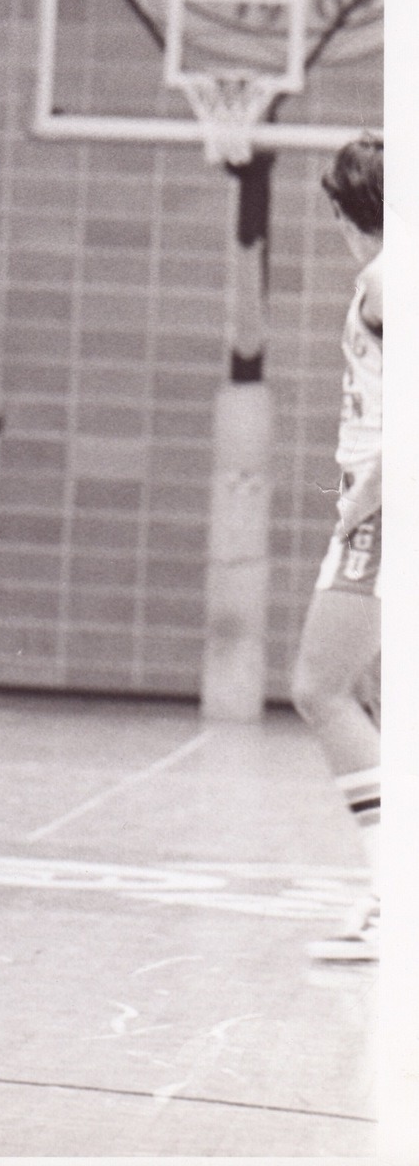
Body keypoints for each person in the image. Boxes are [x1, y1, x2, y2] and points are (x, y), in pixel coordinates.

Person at [290, 132, 382, 961]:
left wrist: (367, 497)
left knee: (319, 688)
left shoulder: (390, 279)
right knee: (378, 704)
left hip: (384, 515)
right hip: (376, 510)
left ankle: (395, 896)